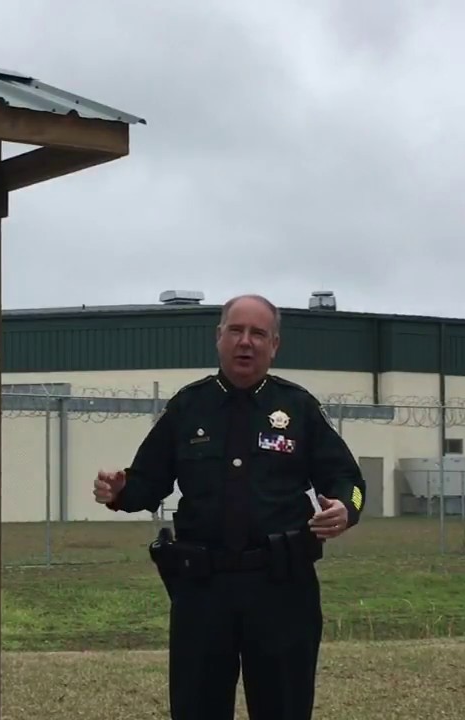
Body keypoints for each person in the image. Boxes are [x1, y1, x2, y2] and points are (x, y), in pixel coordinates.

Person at [93, 293, 366, 720]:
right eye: (236, 331)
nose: (246, 341)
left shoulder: (298, 408)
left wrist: (346, 509)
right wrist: (121, 490)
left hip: (282, 589)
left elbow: (348, 480)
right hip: (203, 591)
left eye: (258, 333)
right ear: (218, 338)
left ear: (274, 345)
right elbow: (148, 481)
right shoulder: (189, 406)